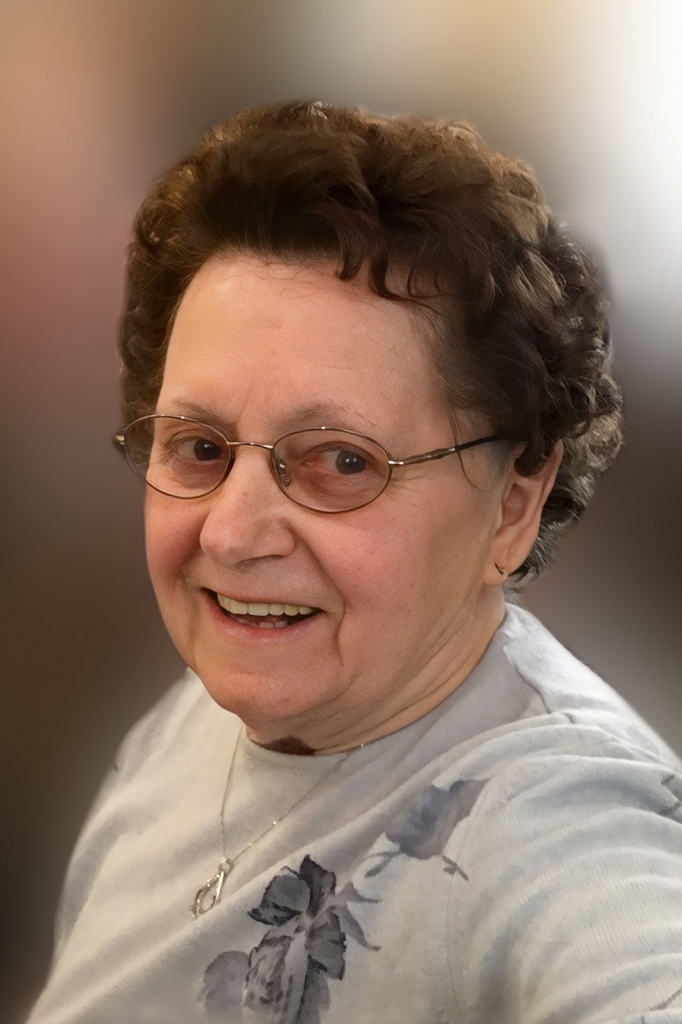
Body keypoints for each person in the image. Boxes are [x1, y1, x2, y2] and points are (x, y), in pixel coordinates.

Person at [26, 101, 682, 1024]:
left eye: (341, 462)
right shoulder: (200, 712)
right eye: (201, 448)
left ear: (515, 502)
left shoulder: (558, 821)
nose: (231, 535)